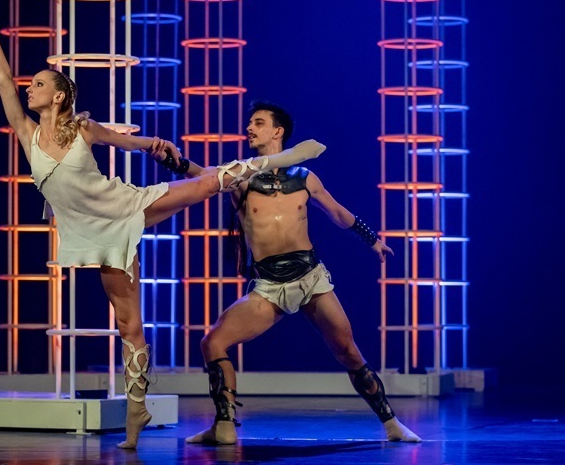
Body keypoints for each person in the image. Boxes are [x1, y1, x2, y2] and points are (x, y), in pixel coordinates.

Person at [0, 0, 327, 449]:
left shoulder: (82, 128)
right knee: (129, 325)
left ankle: (282, 158)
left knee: (205, 185)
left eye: (39, 84)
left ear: (59, 96)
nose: (29, 88)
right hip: (92, 234)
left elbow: (127, 142)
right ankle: (136, 410)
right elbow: (3, 80)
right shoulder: (27, 133)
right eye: (32, 84)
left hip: (126, 206)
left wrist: (157, 146)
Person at [153, 100, 421, 445]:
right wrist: (173, 161)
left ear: (277, 131)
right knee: (213, 342)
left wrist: (372, 240)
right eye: (250, 123)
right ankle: (224, 426)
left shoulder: (305, 178)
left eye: (258, 123)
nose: (249, 128)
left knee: (348, 351)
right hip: (269, 286)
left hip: (311, 279)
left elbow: (337, 213)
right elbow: (204, 176)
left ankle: (392, 424)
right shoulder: (242, 178)